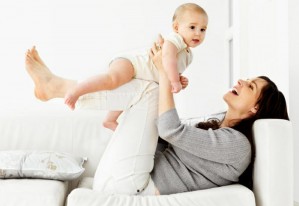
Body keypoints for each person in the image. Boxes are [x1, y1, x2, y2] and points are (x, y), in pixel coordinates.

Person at [25, 37, 289, 195]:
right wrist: (163, 74)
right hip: (123, 176)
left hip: (132, 185)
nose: (242, 81)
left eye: (251, 86)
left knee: (151, 88)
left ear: (255, 109)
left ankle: (58, 87)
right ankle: (58, 87)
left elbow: (170, 130)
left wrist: (165, 73)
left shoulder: (237, 145)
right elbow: (165, 134)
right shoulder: (219, 124)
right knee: (148, 84)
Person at [63, 3, 208, 131]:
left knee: (127, 97)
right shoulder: (175, 40)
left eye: (203, 29)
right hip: (132, 64)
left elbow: (171, 69)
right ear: (176, 27)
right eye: (192, 27)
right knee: (113, 80)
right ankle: (77, 90)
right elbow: (167, 58)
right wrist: (175, 81)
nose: (198, 33)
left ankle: (109, 120)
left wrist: (179, 79)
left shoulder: (189, 55)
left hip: (141, 75)